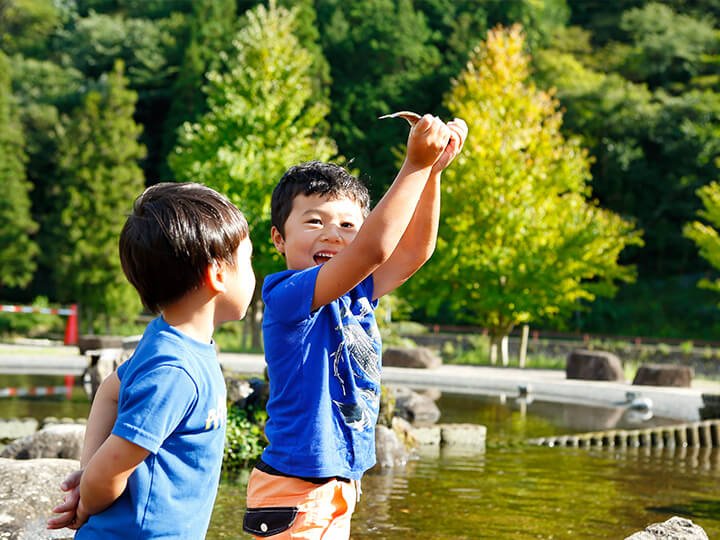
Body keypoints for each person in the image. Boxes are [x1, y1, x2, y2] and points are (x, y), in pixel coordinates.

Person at [242, 114, 467, 539]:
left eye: (348, 225)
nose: (333, 234)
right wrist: (413, 165)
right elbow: (376, 248)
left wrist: (432, 172)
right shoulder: (287, 295)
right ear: (278, 239)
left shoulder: (357, 293)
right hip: (293, 493)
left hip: (338, 486)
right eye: (314, 221)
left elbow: (413, 251)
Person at [46, 182, 256, 538]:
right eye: (248, 261)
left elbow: (109, 391)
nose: (253, 274)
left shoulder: (169, 339)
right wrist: (86, 501)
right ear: (218, 274)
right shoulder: (174, 370)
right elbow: (110, 473)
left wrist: (91, 468)